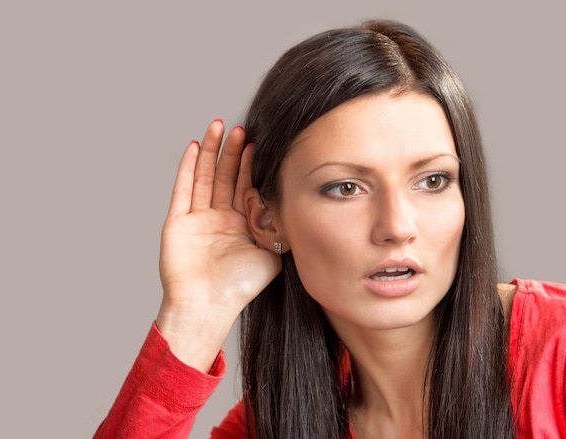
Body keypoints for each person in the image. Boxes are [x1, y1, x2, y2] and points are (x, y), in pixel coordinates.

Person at [94, 20, 566, 438]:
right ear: (266, 219)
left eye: (433, 180)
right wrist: (194, 318)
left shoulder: (556, 356)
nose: (398, 227)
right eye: (346, 188)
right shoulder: (278, 423)